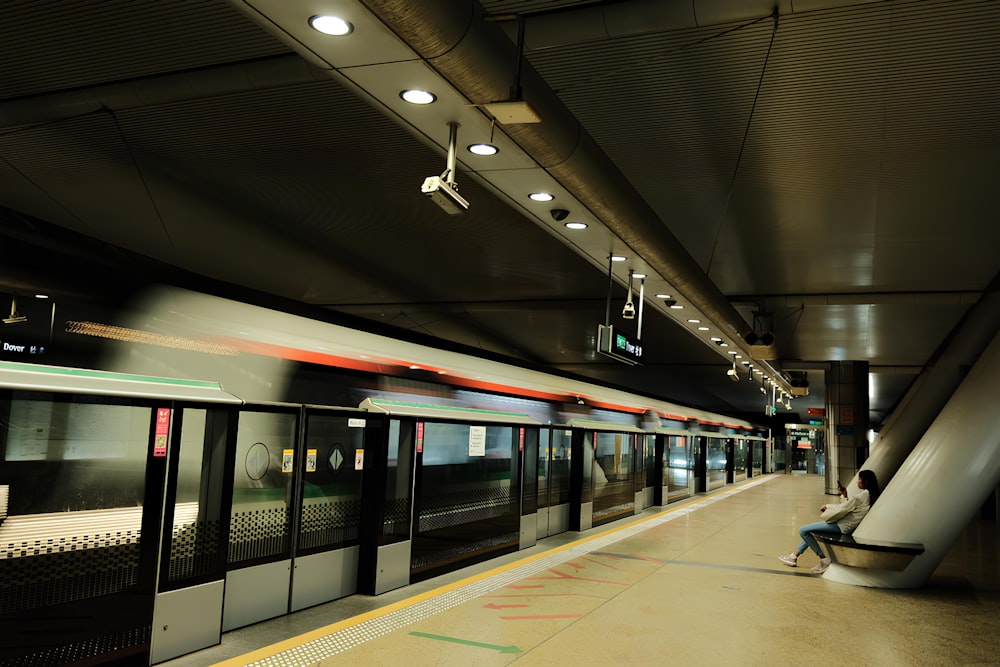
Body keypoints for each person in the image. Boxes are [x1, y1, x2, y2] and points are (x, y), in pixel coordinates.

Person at [778, 469, 881, 574]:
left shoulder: (864, 495)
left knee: (803, 530)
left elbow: (843, 508)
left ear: (866, 481)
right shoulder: (870, 495)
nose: (857, 481)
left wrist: (827, 506)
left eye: (859, 479)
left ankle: (823, 559)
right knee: (811, 531)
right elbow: (850, 507)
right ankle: (793, 556)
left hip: (841, 526)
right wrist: (845, 496)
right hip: (844, 525)